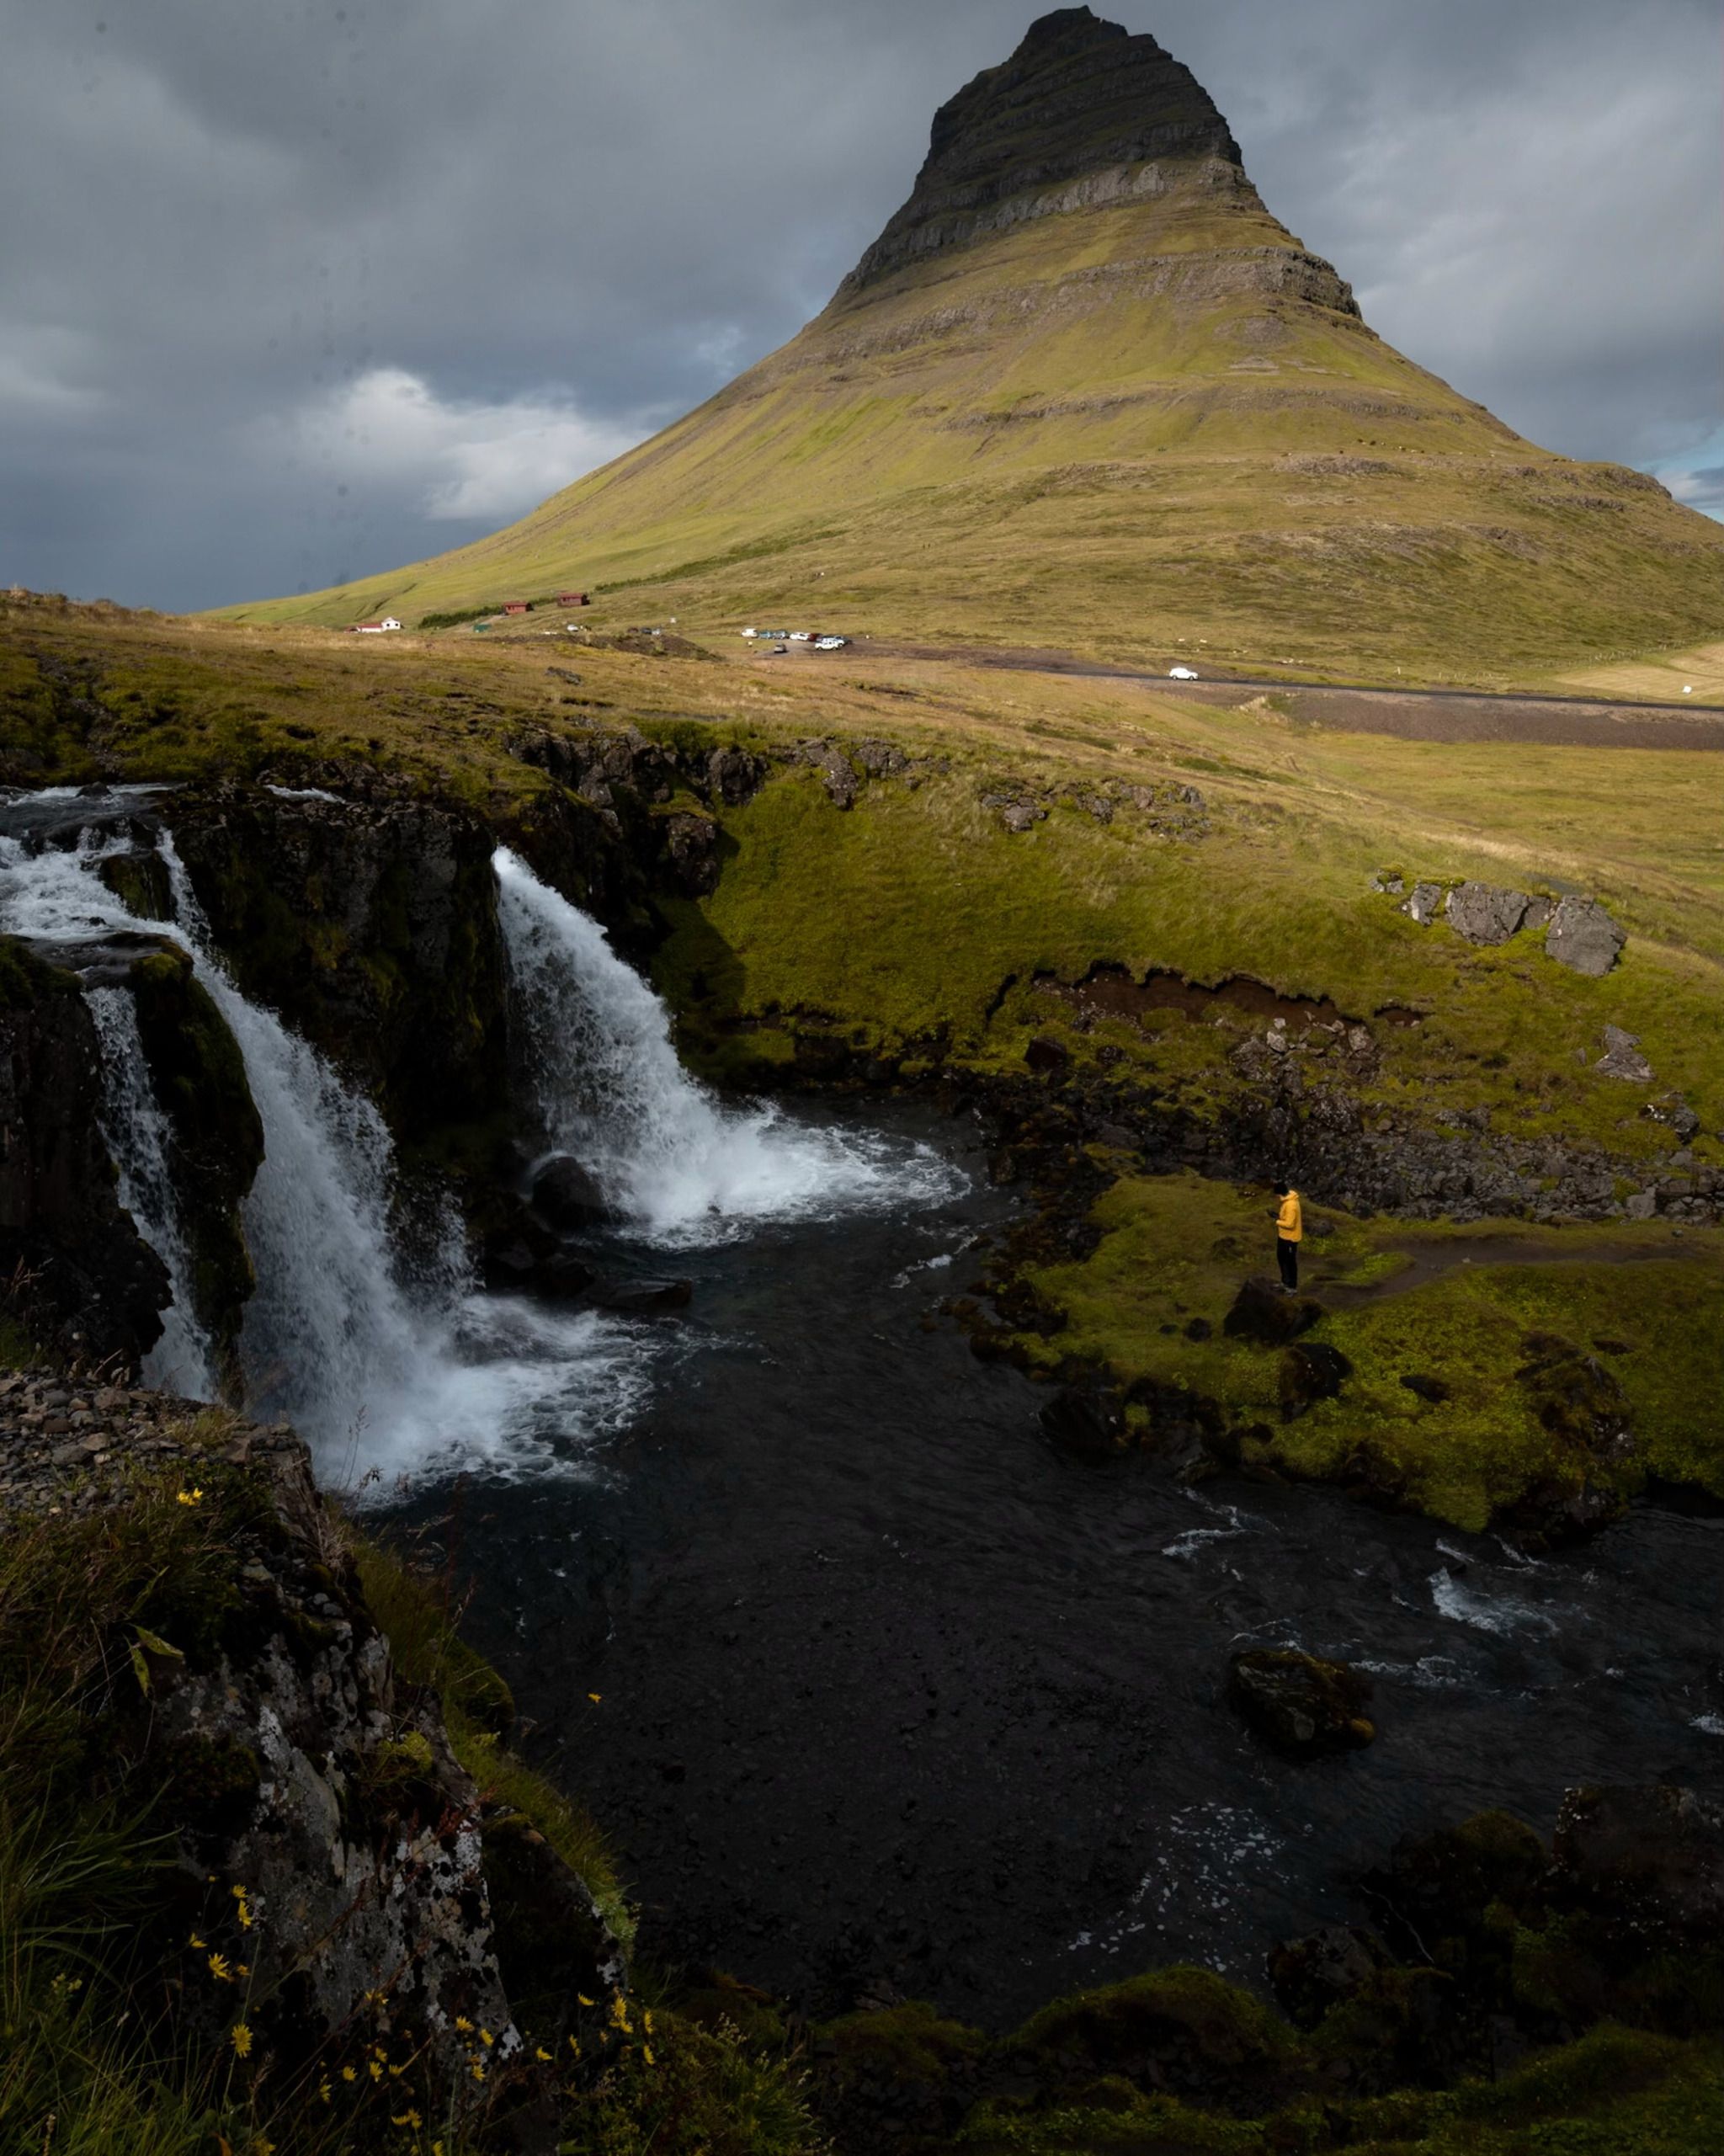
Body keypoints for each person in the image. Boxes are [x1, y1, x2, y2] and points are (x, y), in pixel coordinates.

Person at [1272, 1182, 1302, 1291]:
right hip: (1283, 1236)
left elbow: (1290, 1224)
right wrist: (1278, 1216)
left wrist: (1277, 1221)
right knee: (1282, 1259)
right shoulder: (1287, 1201)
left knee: (1290, 1262)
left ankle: (1292, 1286)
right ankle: (1285, 1282)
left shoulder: (1290, 1205)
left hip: (1290, 1238)